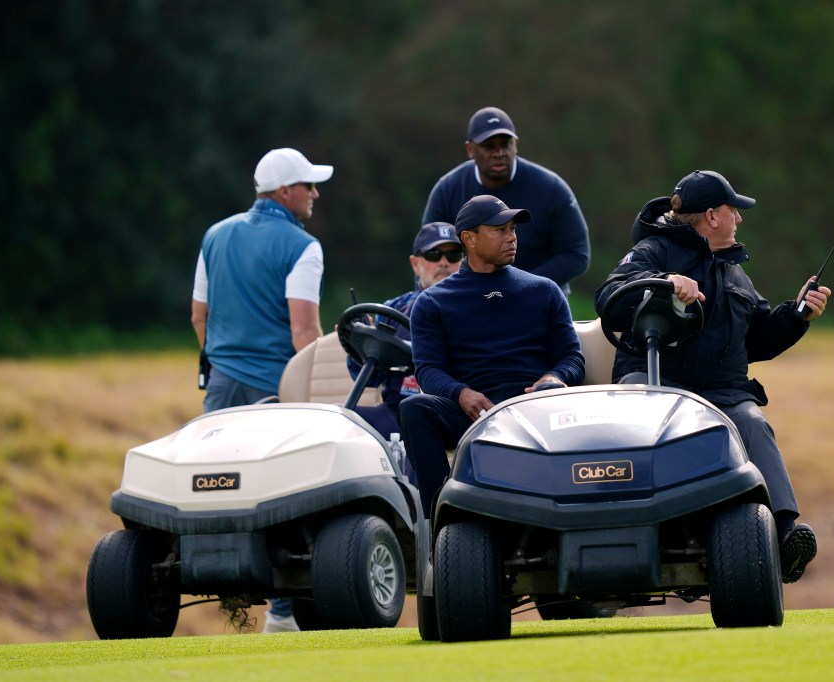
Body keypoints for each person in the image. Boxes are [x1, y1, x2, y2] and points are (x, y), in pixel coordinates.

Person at [594, 170, 829, 584]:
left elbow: (758, 340)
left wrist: (798, 314)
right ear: (712, 216)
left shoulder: (735, 273)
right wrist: (664, 283)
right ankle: (626, 530)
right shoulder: (653, 251)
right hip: (654, 383)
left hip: (721, 394)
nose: (739, 219)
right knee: (636, 413)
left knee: (754, 422)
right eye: (732, 211)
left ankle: (784, 534)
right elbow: (609, 297)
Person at [190, 147, 333, 633]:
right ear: (285, 192)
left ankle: (218, 581)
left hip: (220, 387)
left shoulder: (215, 234)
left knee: (219, 486)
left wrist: (222, 363)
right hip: (277, 387)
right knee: (291, 494)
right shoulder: (302, 246)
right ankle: (283, 611)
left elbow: (199, 316)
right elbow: (303, 331)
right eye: (308, 186)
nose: (315, 194)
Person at [399, 195, 586, 516]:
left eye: (513, 229)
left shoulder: (544, 290)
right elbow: (428, 371)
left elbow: (572, 358)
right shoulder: (432, 302)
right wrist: (461, 394)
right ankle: (443, 516)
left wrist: (555, 377)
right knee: (414, 409)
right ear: (469, 239)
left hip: (535, 405)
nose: (511, 236)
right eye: (499, 229)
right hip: (474, 411)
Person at [421, 106, 591, 295]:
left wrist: (520, 287)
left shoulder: (551, 188)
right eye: (488, 146)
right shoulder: (448, 189)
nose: (499, 152)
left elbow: (576, 253)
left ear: (515, 144)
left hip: (538, 300)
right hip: (467, 300)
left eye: (505, 144)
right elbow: (427, 254)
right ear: (470, 149)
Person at [347, 222, 464, 481]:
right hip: (396, 411)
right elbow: (370, 378)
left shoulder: (477, 306)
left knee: (419, 423)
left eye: (453, 255)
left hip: (451, 414)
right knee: (336, 421)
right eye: (434, 255)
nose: (444, 262)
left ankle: (421, 516)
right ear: (415, 264)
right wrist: (358, 348)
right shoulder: (394, 309)